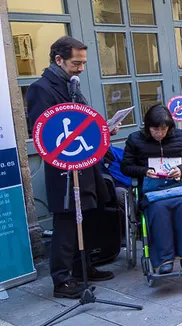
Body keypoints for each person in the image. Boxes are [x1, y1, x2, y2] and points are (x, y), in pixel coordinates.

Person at [26, 36, 116, 298]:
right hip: (64, 170)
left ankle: (82, 268)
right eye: (76, 63)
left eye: (83, 63)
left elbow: (83, 122)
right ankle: (62, 281)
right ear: (58, 60)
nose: (81, 68)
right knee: (66, 225)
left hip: (85, 165)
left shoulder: (71, 84)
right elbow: (43, 133)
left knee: (85, 218)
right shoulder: (41, 89)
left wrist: (104, 131)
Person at [121, 105, 182, 275]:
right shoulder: (135, 139)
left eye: (163, 129)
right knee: (158, 209)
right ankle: (164, 259)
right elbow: (126, 166)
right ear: (147, 127)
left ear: (170, 127)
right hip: (152, 191)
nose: (159, 133)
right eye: (155, 129)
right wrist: (144, 171)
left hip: (179, 187)